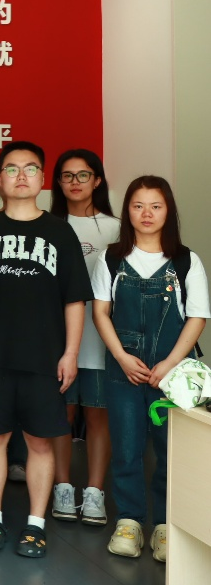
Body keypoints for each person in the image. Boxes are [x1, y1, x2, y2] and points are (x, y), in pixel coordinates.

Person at [0, 142, 91, 560]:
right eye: (12, 168)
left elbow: (74, 299)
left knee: (40, 443)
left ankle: (36, 524)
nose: (21, 176)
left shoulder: (61, 231)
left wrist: (71, 352)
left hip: (45, 358)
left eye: (30, 168)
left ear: (42, 179)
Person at [93, 176, 208, 563]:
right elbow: (100, 312)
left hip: (173, 373)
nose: (147, 213)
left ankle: (165, 525)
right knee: (126, 448)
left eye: (156, 206)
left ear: (168, 211)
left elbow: (197, 317)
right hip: (123, 369)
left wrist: (170, 364)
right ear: (127, 211)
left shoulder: (186, 261)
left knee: (169, 451)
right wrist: (122, 357)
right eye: (138, 205)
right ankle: (129, 522)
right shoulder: (111, 258)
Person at [49, 149, 120, 527]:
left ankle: (94, 491)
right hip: (57, 340)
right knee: (61, 415)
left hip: (102, 339)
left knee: (98, 415)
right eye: (67, 175)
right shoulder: (49, 225)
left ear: (97, 180)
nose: (75, 182)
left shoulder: (117, 228)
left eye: (83, 175)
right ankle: (62, 486)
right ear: (58, 183)